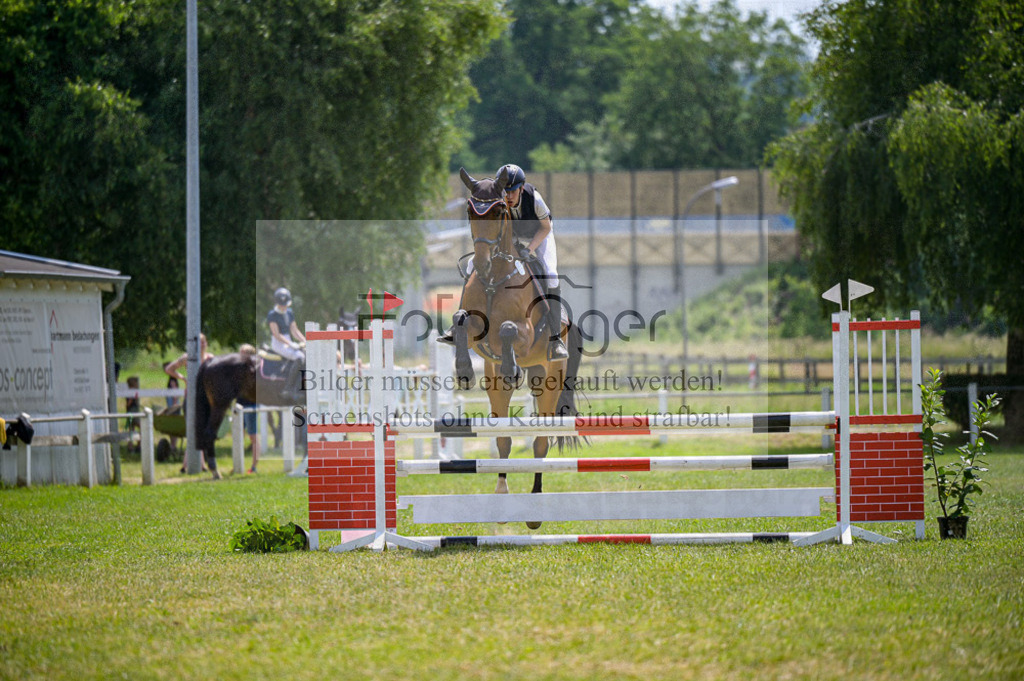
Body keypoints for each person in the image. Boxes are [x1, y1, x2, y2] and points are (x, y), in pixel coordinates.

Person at [439, 164, 568, 360]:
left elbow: (545, 227)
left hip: (538, 236)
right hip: (512, 238)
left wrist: (530, 249)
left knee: (550, 274)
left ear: (521, 188)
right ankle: (457, 324)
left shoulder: (534, 199)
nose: (508, 196)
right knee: (471, 265)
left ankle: (556, 340)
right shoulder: (497, 200)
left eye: (512, 191)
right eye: (505, 191)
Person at [164, 334, 215, 472]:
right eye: (200, 342)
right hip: (191, 398)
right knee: (193, 430)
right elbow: (169, 369)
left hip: (205, 399)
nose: (202, 344)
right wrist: (183, 378)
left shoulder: (210, 358)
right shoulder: (188, 358)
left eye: (204, 342)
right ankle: (192, 465)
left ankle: (194, 464)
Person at [267, 287, 305, 397]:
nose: (284, 307)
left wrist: (304, 340)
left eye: (285, 304)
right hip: (278, 342)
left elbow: (294, 330)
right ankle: (288, 388)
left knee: (305, 354)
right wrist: (290, 344)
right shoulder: (272, 315)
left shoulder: (290, 312)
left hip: (288, 339)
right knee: (299, 357)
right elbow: (276, 334)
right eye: (282, 305)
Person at [237, 344, 262, 474]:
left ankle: (254, 466)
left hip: (251, 404)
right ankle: (238, 464)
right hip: (239, 404)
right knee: (238, 435)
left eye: (244, 353)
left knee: (253, 436)